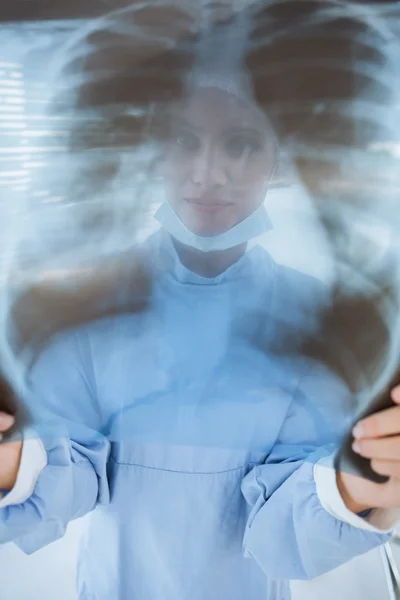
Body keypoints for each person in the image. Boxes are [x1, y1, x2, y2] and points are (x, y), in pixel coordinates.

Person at [1, 4, 400, 600]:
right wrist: (10, 460)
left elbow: (283, 527)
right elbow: (68, 477)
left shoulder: (315, 323)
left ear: (276, 160)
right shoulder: (85, 309)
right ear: (150, 153)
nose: (208, 173)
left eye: (241, 144)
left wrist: (364, 486)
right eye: (182, 140)